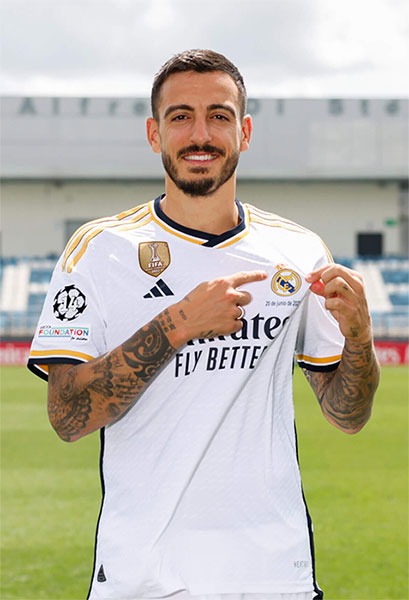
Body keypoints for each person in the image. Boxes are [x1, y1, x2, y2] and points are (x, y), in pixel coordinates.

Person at [28, 49, 379, 600]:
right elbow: (68, 416)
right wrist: (177, 324)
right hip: (142, 578)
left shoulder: (298, 251)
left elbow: (348, 414)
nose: (200, 134)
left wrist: (359, 338)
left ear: (244, 132)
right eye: (180, 116)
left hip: (272, 575)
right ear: (154, 134)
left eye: (219, 115)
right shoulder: (99, 250)